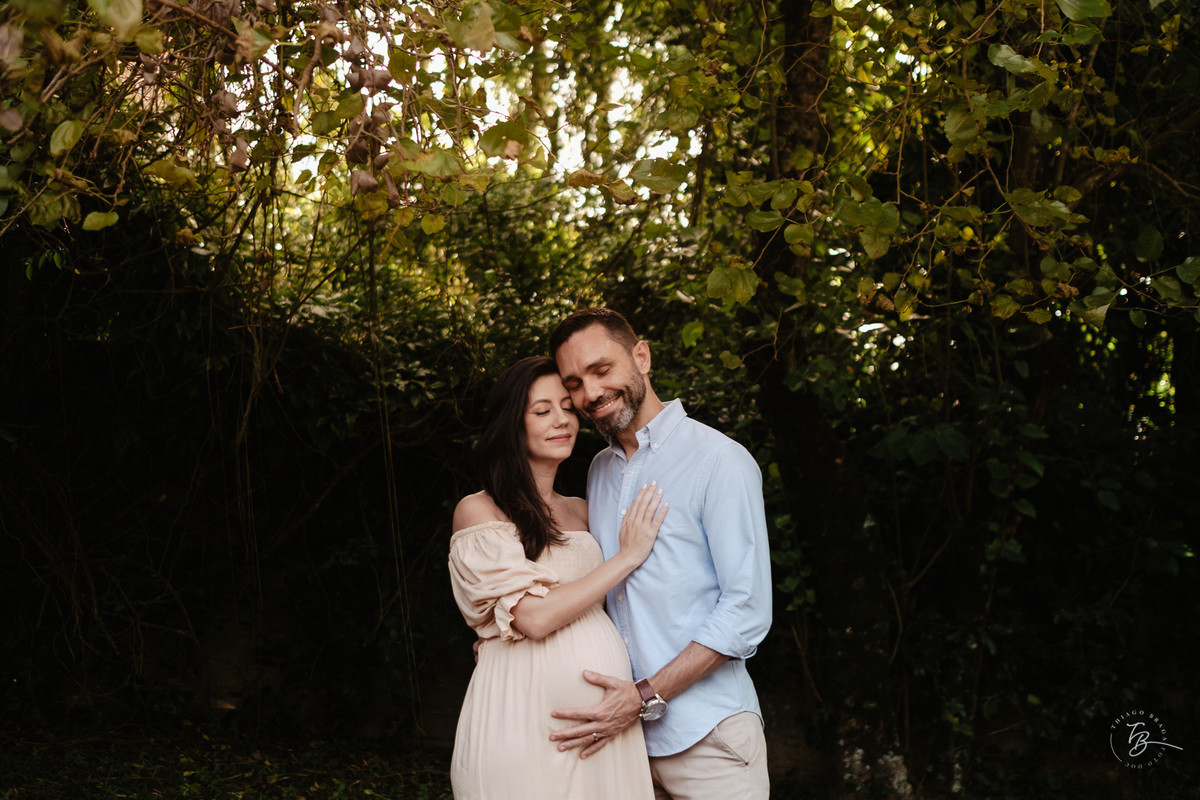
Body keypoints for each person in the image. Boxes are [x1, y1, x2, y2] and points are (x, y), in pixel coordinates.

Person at [547, 308, 773, 799]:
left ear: (641, 357)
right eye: (575, 383)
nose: (590, 394)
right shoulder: (600, 471)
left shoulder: (720, 460)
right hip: (622, 746)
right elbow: (599, 594)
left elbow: (747, 610)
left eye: (601, 370)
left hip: (708, 736)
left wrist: (644, 695)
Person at [448, 356, 668, 800]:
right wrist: (627, 556)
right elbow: (533, 619)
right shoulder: (480, 510)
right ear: (513, 424)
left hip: (603, 725)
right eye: (542, 410)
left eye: (568, 407)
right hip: (521, 718)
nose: (562, 420)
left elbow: (624, 607)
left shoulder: (587, 510)